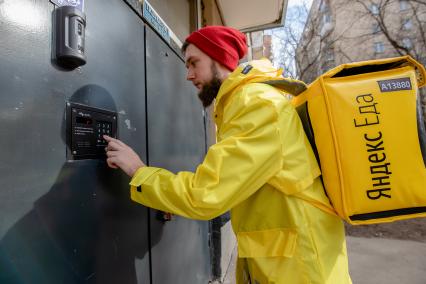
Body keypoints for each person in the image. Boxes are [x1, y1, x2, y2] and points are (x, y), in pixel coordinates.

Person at [104, 26, 352, 284]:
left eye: (193, 63)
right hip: (285, 264)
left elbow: (205, 194)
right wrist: (171, 198)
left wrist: (139, 171)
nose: (188, 75)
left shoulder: (257, 104)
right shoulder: (243, 103)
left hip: (302, 270)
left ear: (219, 58)